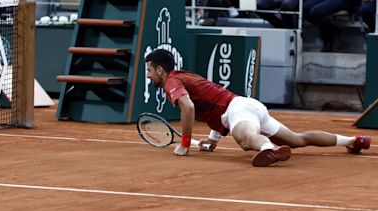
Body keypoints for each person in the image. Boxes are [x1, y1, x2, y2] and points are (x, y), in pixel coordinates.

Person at [145, 49, 371, 167]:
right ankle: (351, 141)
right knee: (296, 139)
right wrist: (213, 139)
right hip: (248, 106)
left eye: (149, 71)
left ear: (161, 70)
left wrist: (185, 144)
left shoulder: (171, 82)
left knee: (245, 140)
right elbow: (212, 102)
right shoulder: (185, 76)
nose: (148, 75)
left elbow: (189, 108)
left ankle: (267, 148)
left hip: (237, 111)